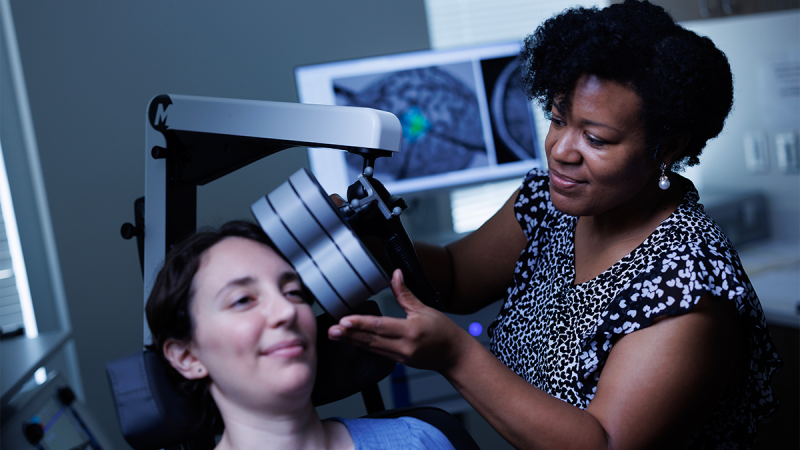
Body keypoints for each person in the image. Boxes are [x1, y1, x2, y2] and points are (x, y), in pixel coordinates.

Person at [328, 1, 782, 448]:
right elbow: (456, 276)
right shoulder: (550, 202)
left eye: (595, 138)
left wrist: (455, 355)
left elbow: (602, 443)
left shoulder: (687, 288)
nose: (561, 150)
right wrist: (373, 236)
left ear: (666, 149)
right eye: (558, 119)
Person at [145, 220, 456, 450]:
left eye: (293, 292)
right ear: (187, 357)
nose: (287, 311)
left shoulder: (419, 441)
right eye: (243, 300)